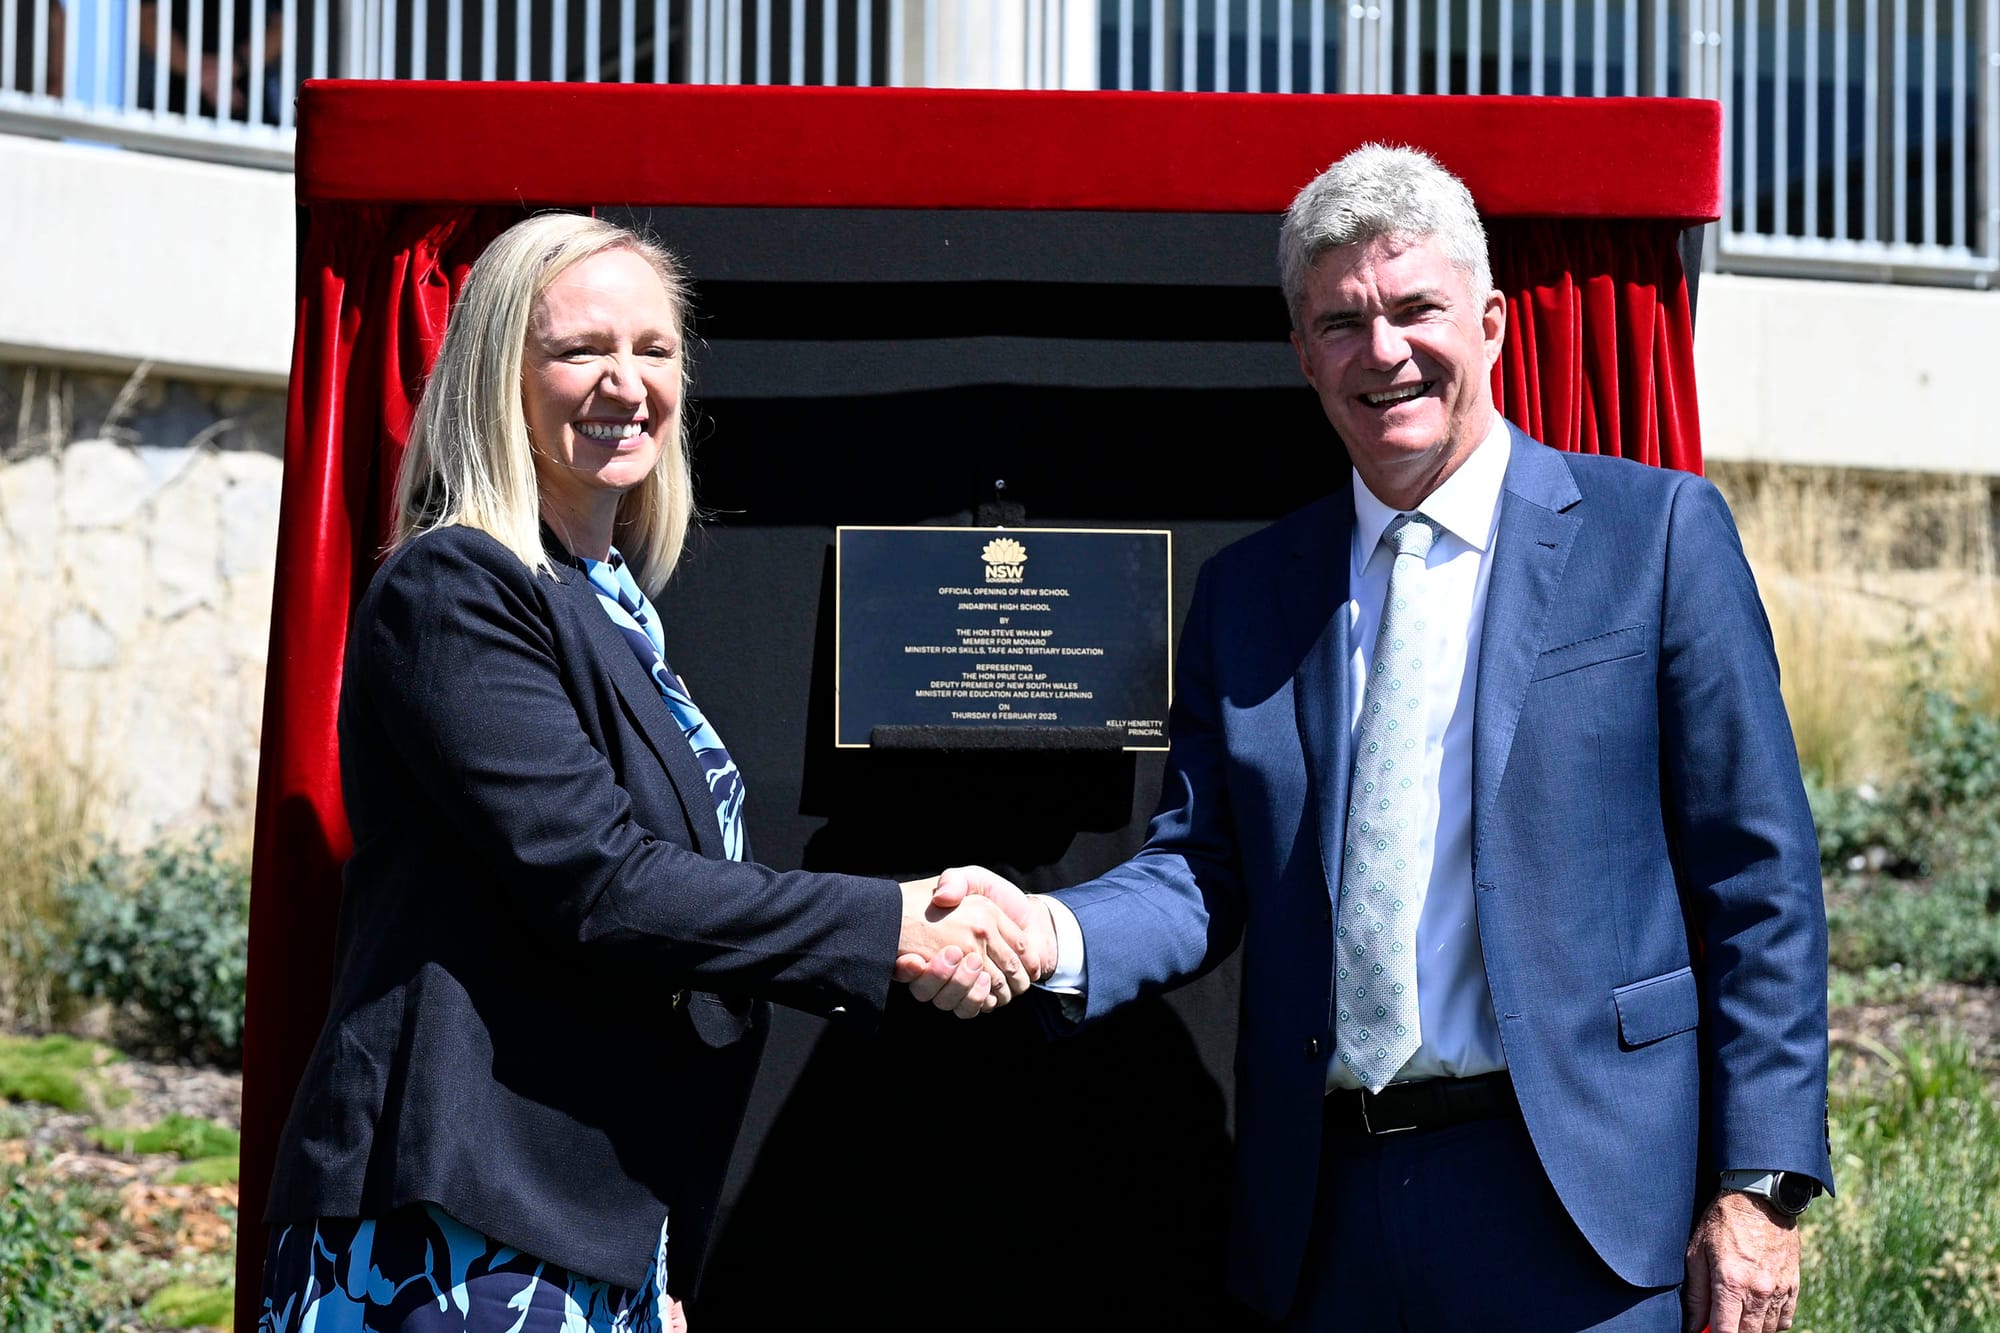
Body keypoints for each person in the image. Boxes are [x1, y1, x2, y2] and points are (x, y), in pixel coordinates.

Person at [927, 145, 1832, 1333]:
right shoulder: (1252, 594)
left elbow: (1755, 876)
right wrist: (1051, 930)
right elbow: (1201, 869)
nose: (1384, 351)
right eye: (1342, 321)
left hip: (1583, 1209)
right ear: (1304, 354)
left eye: (1415, 308)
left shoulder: (1650, 536)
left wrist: (1757, 1188)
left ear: (1494, 323)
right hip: (1330, 1217)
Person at [260, 213, 1039, 1332]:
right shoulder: (456, 589)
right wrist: (893, 924)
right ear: (497, 374)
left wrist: (650, 1251)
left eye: (654, 349)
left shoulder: (607, 606)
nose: (624, 384)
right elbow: (601, 884)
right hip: (455, 1236)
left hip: (585, 1225)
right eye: (578, 350)